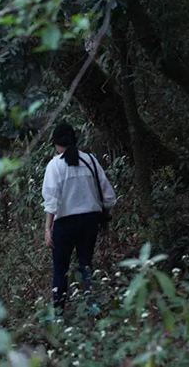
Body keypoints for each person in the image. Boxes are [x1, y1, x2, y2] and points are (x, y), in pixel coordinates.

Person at [42, 123, 116, 312]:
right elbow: (108, 196)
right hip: (89, 222)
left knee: (60, 270)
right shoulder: (91, 160)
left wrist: (47, 229)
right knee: (86, 265)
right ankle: (93, 309)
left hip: (64, 224)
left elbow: (51, 200)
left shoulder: (54, 165)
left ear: (57, 145)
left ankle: (58, 313)